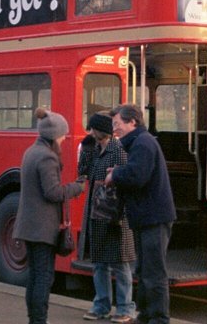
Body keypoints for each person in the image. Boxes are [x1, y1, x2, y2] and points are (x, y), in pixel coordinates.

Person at [105, 104, 176, 324]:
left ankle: (158, 318)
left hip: (153, 217)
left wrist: (115, 174)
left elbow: (137, 176)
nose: (114, 129)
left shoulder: (143, 143)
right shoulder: (141, 142)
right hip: (148, 217)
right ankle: (146, 315)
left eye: (117, 124)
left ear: (132, 122)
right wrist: (119, 172)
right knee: (144, 270)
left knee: (153, 272)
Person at [13, 108, 85, 324]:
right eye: (63, 135)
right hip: (42, 228)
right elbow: (52, 192)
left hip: (29, 225)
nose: (64, 139)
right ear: (54, 135)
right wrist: (77, 187)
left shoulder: (31, 151)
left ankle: (34, 319)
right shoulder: (47, 157)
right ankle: (39, 320)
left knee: (34, 276)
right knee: (44, 277)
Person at [78, 113, 136, 323]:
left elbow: (124, 180)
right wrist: (85, 149)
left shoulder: (118, 151)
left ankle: (125, 308)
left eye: (92, 129)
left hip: (114, 214)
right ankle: (101, 305)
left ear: (99, 130)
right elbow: (83, 171)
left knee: (120, 263)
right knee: (100, 263)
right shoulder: (94, 150)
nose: (90, 133)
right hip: (96, 213)